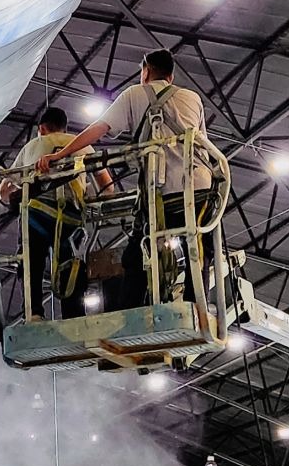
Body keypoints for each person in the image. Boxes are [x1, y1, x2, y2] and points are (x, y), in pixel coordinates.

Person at [38, 50, 214, 308]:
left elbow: (98, 129)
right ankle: (196, 305)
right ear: (171, 75)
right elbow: (202, 143)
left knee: (136, 256)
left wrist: (60, 155)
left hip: (159, 193)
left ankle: (131, 310)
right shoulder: (193, 98)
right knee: (198, 246)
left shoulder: (134, 94)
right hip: (198, 187)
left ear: (145, 71)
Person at [0, 107, 82, 321]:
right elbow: (106, 183)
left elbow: (4, 189)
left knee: (31, 261)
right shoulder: (80, 142)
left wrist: (7, 199)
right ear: (65, 127)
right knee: (69, 264)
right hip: (72, 217)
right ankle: (74, 316)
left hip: (38, 215)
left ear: (41, 129)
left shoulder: (33, 145)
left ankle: (34, 312)